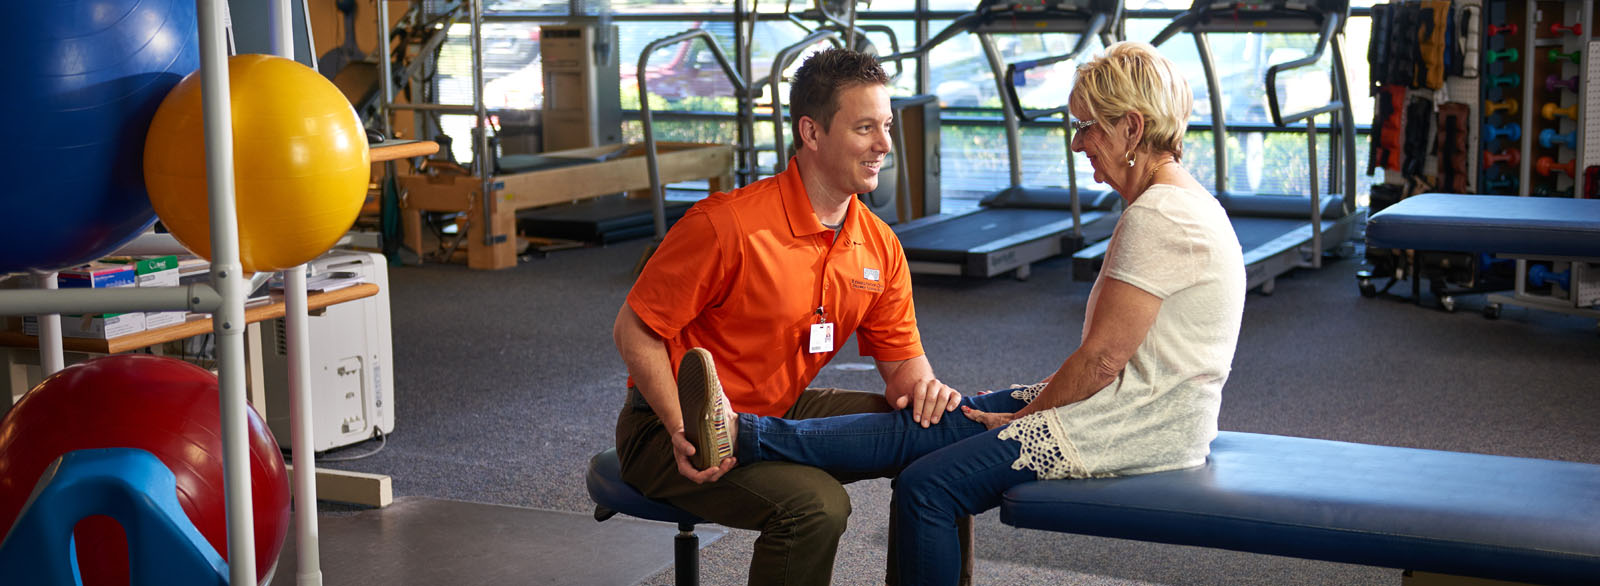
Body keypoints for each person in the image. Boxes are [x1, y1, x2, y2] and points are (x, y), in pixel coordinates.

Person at [677, 41, 1247, 585]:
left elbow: (1100, 361)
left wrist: (1024, 420)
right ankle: (738, 434)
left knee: (929, 485)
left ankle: (741, 435)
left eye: (1087, 126)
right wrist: (968, 402)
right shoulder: (1175, 202)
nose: (1078, 144)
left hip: (1141, 424)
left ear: (1132, 127)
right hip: (1134, 404)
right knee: (936, 425)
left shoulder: (1161, 216)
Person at [612, 47, 971, 585]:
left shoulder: (879, 247)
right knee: (816, 506)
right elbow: (633, 331)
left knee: (943, 438)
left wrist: (927, 394)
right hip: (671, 427)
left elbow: (905, 374)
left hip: (777, 411)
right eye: (865, 128)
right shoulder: (726, 226)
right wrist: (682, 427)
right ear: (812, 132)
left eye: (887, 126)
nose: (885, 146)